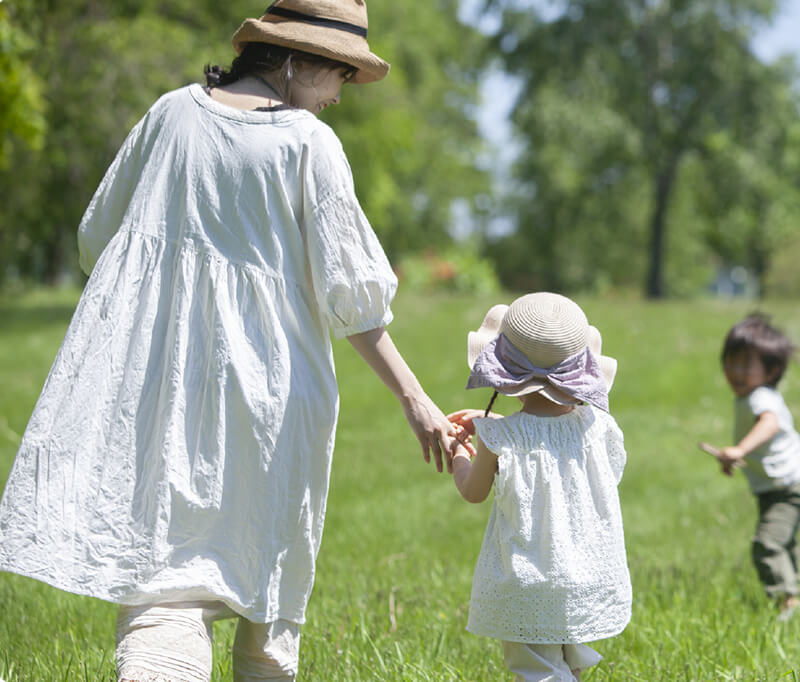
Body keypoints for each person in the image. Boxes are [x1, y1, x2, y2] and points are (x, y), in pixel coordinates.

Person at [0, 1, 464, 679]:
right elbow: (353, 297)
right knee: (268, 584)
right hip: (276, 394)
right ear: (298, 60)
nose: (340, 96)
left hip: (162, 382)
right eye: (340, 75)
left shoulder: (170, 115)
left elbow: (99, 236)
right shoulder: (307, 144)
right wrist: (414, 398)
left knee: (167, 574)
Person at [446, 292, 631, 682]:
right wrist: (492, 425)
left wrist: (460, 451)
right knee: (568, 667)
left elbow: (473, 490)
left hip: (529, 580)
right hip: (585, 575)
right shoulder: (599, 429)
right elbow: (582, 460)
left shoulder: (499, 437)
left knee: (539, 674)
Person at [698, 313, 800, 621]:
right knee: (783, 540)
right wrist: (736, 459)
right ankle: (797, 594)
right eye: (730, 362)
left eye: (745, 365)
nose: (735, 372)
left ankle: (786, 603)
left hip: (788, 487)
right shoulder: (751, 395)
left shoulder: (760, 398)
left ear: (771, 371)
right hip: (780, 485)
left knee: (767, 543)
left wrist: (739, 449)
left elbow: (770, 423)